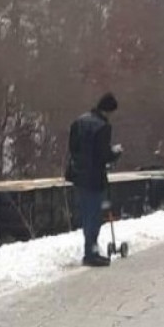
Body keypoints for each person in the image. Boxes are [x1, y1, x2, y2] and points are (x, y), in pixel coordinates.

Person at [66, 92, 123, 266]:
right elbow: (103, 155)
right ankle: (91, 254)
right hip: (94, 177)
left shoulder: (79, 121)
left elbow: (73, 148)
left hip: (78, 175)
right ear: (109, 110)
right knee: (94, 217)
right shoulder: (103, 127)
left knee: (86, 215)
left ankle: (90, 250)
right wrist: (115, 152)